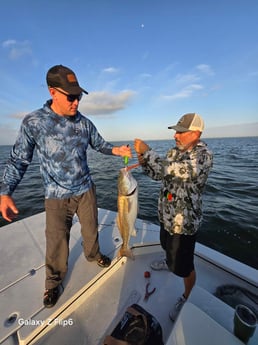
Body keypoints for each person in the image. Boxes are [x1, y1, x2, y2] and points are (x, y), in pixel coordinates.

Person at [0, 65, 132, 308]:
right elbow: (19, 159)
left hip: (85, 190)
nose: (76, 102)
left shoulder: (84, 123)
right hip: (56, 196)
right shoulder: (34, 122)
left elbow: (99, 144)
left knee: (91, 231)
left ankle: (93, 255)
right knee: (57, 242)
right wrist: (5, 192)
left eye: (79, 96)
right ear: (53, 92)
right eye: (71, 96)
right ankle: (52, 282)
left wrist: (117, 150)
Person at [134, 113, 213, 321]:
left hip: (183, 223)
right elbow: (159, 174)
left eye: (180, 132)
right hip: (166, 215)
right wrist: (144, 162)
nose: (175, 136)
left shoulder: (203, 156)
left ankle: (187, 296)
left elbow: (171, 169)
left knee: (184, 266)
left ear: (195, 133)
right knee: (165, 245)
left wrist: (147, 150)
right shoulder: (174, 151)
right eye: (176, 132)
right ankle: (169, 261)